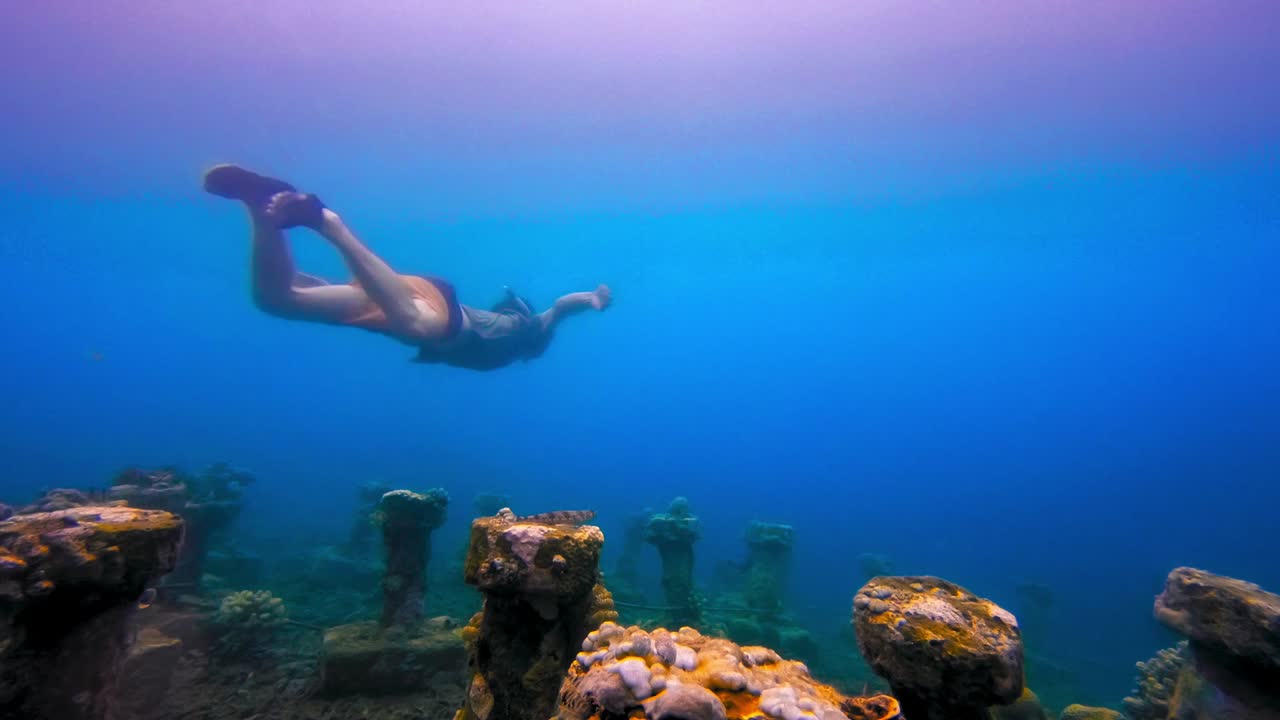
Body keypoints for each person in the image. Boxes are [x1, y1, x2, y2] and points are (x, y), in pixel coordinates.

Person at [202, 165, 611, 371]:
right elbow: (559, 307)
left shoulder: (516, 332)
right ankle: (329, 224)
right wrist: (591, 298)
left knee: (277, 300)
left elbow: (560, 307)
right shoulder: (528, 331)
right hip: (429, 311)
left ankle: (258, 203)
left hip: (398, 302)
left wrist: (590, 300)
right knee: (418, 327)